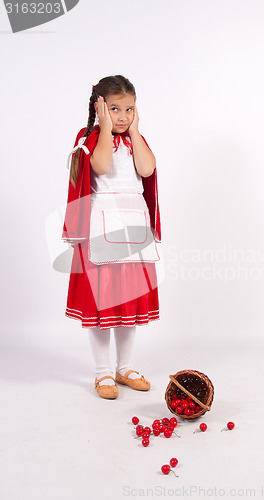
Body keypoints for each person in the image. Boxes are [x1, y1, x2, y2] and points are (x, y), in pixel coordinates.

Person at [62, 75, 162, 400]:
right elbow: (102, 167)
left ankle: (125, 367)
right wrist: (104, 129)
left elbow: (147, 170)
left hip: (132, 229)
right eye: (115, 109)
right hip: (101, 232)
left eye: (129, 109)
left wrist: (134, 131)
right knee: (103, 305)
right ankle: (102, 372)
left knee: (127, 301)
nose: (122, 116)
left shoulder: (135, 139)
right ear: (100, 107)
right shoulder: (90, 139)